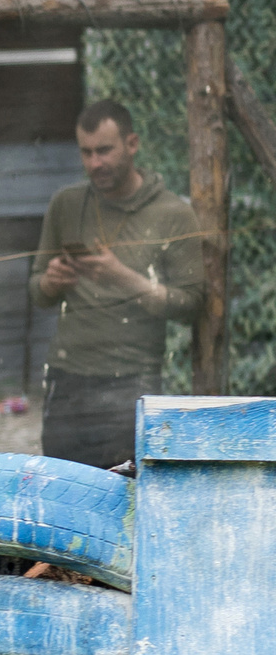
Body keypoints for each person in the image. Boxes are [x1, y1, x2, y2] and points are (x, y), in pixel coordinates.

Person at [30, 100, 205, 470]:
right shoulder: (66, 203)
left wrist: (122, 277)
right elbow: (36, 292)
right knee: (62, 494)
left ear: (132, 144)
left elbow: (192, 304)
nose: (95, 163)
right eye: (86, 152)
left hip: (131, 381)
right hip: (67, 380)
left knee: (123, 498)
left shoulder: (172, 213)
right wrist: (51, 281)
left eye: (105, 150)